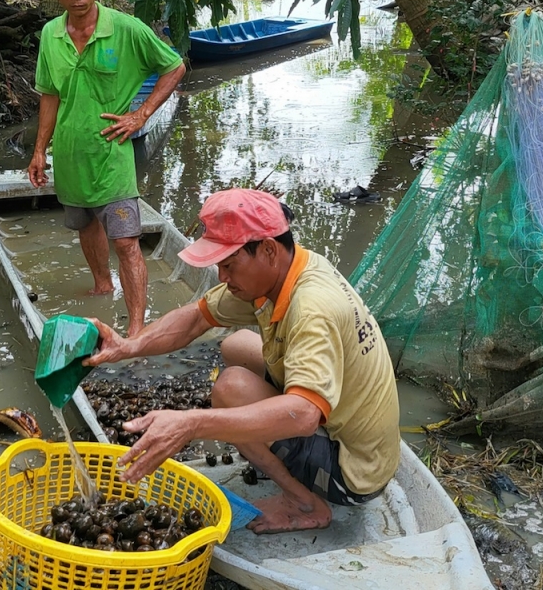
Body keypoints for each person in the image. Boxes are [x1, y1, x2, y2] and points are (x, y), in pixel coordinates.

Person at [85, 189, 400, 534]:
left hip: (354, 474)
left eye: (229, 265)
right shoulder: (286, 270)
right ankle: (282, 461)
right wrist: (127, 346)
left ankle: (304, 502)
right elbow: (195, 318)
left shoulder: (312, 307)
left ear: (267, 249)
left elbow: (306, 415)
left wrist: (192, 423)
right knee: (236, 344)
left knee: (231, 388)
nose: (222, 277)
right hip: (355, 429)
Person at [28, 0, 186, 337]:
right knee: (85, 225)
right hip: (69, 155)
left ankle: (135, 331)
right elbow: (49, 94)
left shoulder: (126, 29)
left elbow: (174, 66)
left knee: (128, 242)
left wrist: (141, 114)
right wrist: (38, 151)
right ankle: (102, 286)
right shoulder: (50, 35)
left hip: (113, 157)